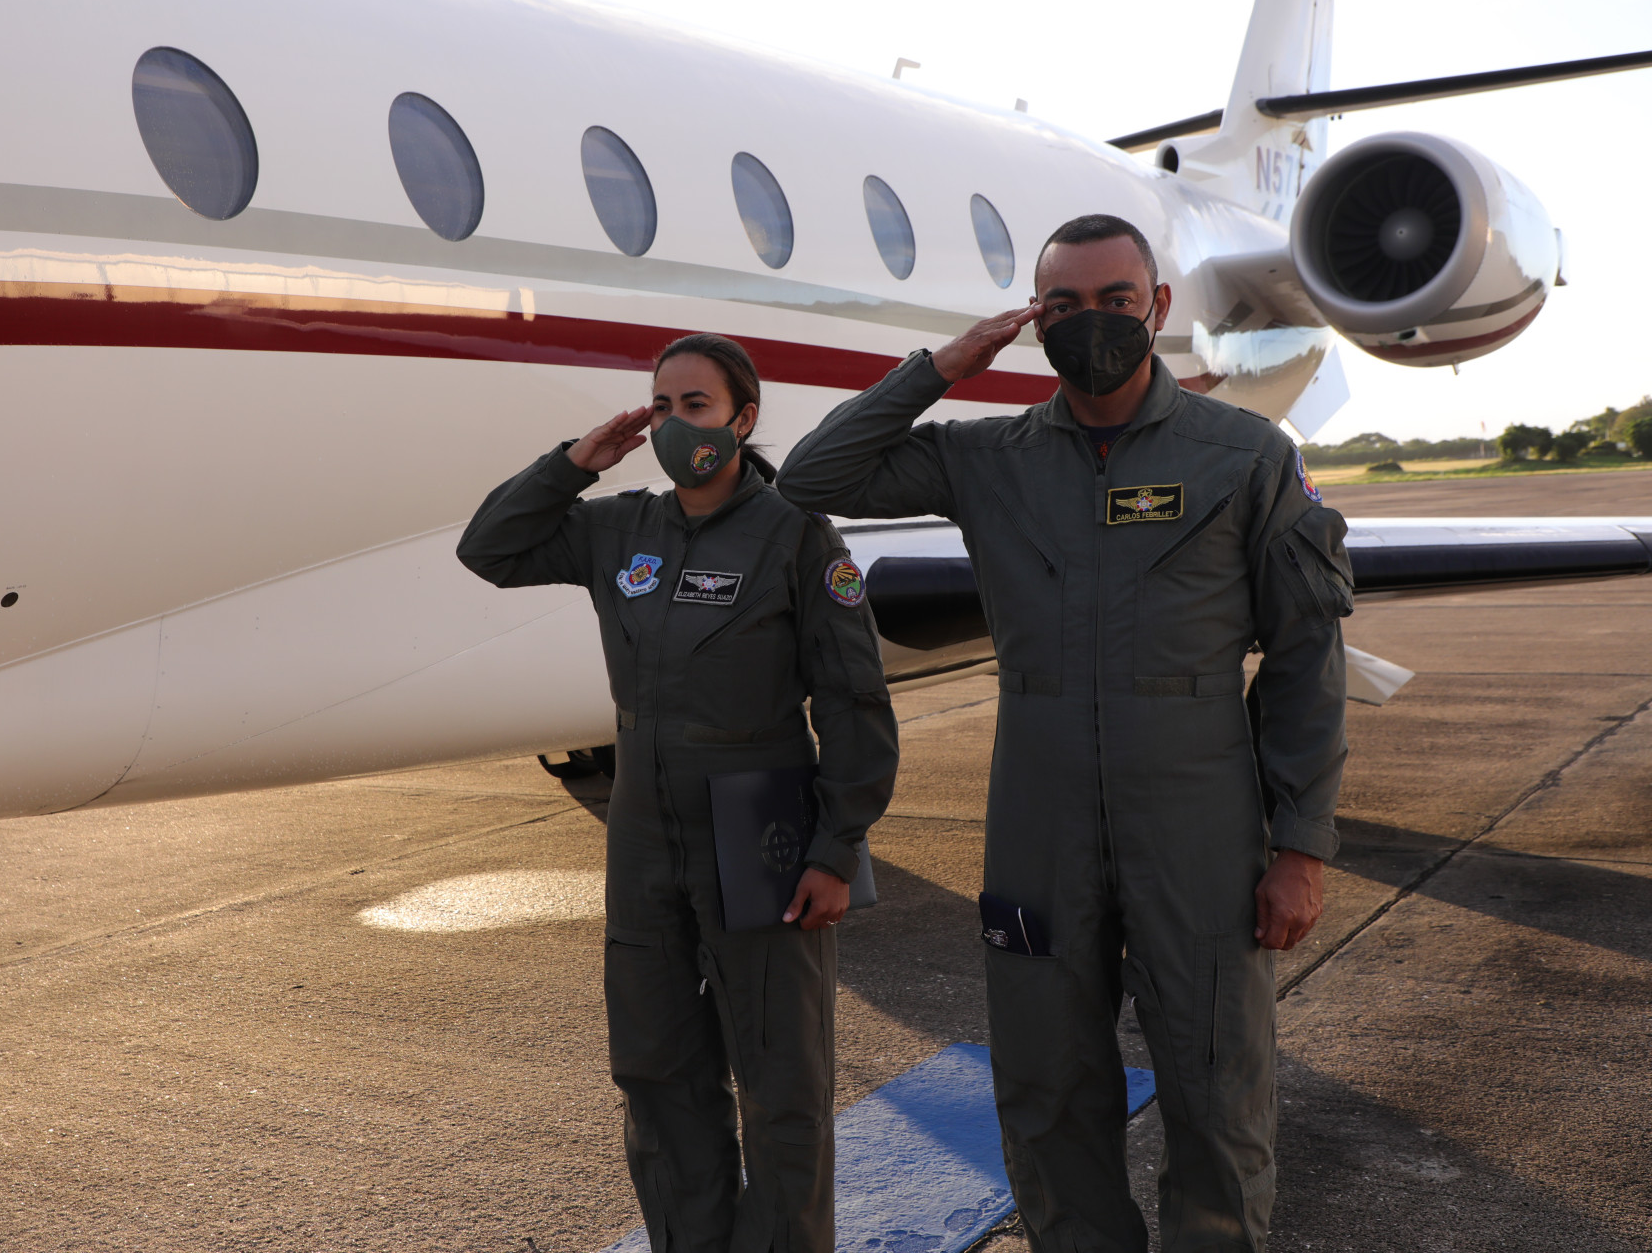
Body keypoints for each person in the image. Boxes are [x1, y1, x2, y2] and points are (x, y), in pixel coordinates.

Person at [777, 215, 1351, 1253]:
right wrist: (943, 367)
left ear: (1157, 306)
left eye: (1116, 300)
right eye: (1065, 304)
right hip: (1037, 824)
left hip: (1199, 823)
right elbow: (811, 477)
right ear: (1036, 320)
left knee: (1218, 1092)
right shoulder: (986, 456)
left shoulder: (1244, 456)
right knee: (1045, 1087)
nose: (1094, 322)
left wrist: (1301, 845)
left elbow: (1308, 657)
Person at [457, 333, 899, 1252]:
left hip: (761, 818)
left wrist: (836, 847)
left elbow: (854, 705)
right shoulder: (620, 529)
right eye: (661, 406)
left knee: (781, 1083)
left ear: (743, 419)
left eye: (695, 406)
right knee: (656, 1070)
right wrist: (575, 463)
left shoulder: (797, 535)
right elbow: (488, 548)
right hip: (644, 829)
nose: (673, 424)